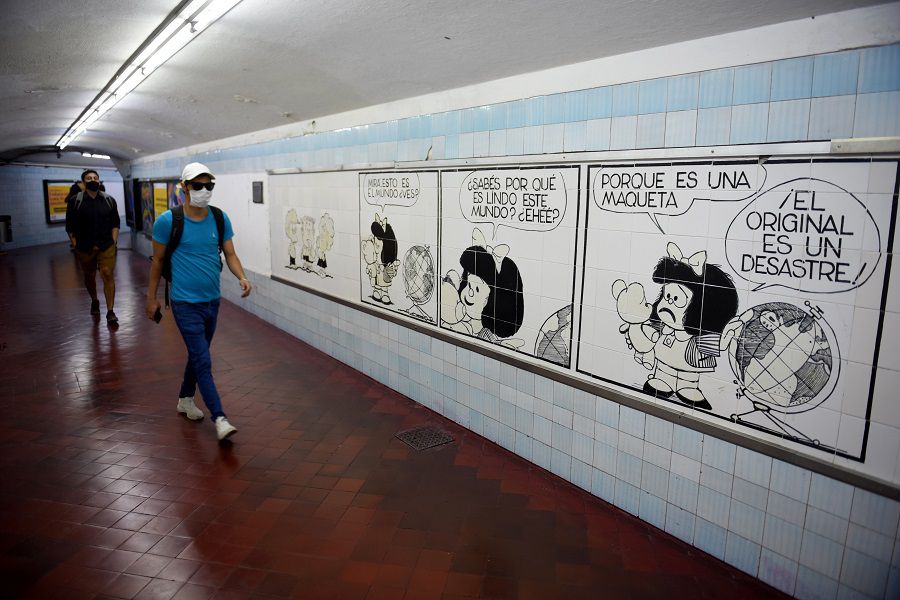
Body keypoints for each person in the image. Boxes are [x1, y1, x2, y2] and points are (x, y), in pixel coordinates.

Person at [146, 162, 252, 441]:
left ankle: (185, 399)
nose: (204, 191)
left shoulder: (219, 218)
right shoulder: (168, 221)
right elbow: (157, 261)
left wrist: (242, 276)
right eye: (197, 185)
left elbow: (230, 254)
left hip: (211, 301)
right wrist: (151, 298)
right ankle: (220, 417)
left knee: (198, 353)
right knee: (203, 359)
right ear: (184, 188)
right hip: (184, 303)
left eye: (209, 186)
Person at [65, 170, 120, 324]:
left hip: (106, 245)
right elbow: (70, 227)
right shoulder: (76, 201)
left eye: (95, 178)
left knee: (107, 273)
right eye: (89, 178)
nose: (93, 180)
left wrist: (114, 242)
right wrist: (76, 245)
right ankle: (95, 300)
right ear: (83, 182)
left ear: (99, 180)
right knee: (89, 276)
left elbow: (115, 224)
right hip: (84, 246)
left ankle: (110, 311)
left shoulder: (109, 200)